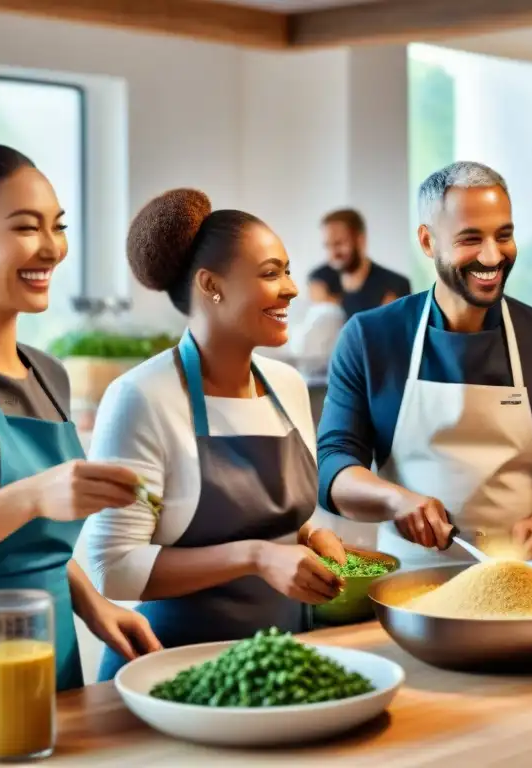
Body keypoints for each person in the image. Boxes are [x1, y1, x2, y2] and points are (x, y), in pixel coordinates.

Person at [0, 145, 160, 729]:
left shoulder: (49, 371)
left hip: (51, 667)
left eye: (57, 227)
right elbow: (26, 507)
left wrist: (91, 603)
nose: (51, 248)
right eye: (26, 227)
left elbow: (33, 545)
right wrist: (34, 494)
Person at [82, 189, 346, 682]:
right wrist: (255, 557)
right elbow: (112, 566)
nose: (291, 288)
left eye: (287, 270)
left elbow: (281, 522)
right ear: (211, 285)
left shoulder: (287, 387)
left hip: (278, 667)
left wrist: (311, 534)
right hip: (170, 672)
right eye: (271, 273)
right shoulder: (141, 396)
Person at [316, 161, 532, 567]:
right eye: (471, 238)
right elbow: (334, 468)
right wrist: (395, 500)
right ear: (427, 241)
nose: (492, 255)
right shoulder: (370, 338)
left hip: (525, 584)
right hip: (408, 590)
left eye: (503, 235)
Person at [321, 208, 411, 317]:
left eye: (339, 243)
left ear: (360, 240)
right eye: (328, 246)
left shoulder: (394, 286)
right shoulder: (321, 282)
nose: (333, 253)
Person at [289, 264, 346, 378]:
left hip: (317, 376)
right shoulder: (333, 311)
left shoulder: (327, 312)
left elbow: (303, 348)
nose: (309, 292)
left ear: (323, 286)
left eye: (312, 287)